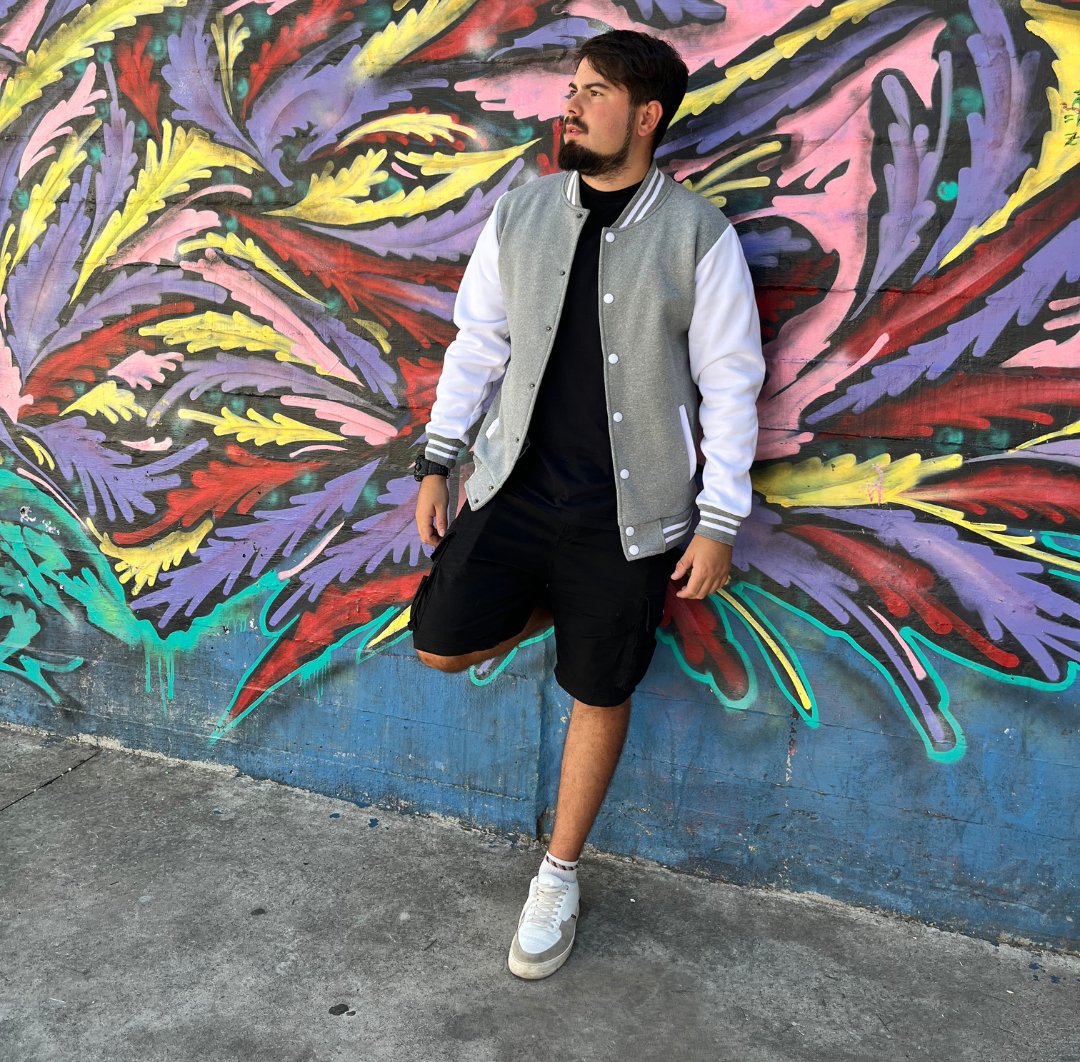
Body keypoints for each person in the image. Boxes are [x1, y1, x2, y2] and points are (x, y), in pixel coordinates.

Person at [409, 29, 765, 980]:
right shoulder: (522, 211)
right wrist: (438, 459)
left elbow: (732, 385)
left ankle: (558, 876)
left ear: (646, 117)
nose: (570, 106)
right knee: (440, 642)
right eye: (572, 88)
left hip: (630, 514)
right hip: (514, 488)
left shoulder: (698, 235)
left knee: (600, 689)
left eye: (594, 92)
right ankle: (584, 619)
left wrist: (720, 521)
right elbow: (477, 344)